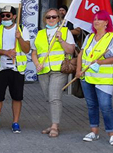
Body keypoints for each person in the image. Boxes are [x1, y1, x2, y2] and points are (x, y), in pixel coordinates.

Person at [76, 10, 113, 146]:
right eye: (94, 19)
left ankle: (112, 134)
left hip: (104, 79)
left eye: (100, 19)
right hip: (87, 77)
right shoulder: (90, 37)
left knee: (105, 106)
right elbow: (81, 55)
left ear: (106, 22)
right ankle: (94, 131)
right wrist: (78, 70)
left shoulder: (112, 38)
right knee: (91, 105)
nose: (96, 22)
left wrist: (100, 62)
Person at [0, 5, 30, 134]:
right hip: (0, 69)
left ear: (14, 17)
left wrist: (19, 38)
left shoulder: (22, 29)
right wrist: (6, 52)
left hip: (17, 69)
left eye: (7, 15)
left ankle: (15, 122)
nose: (4, 18)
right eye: (2, 15)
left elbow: (26, 49)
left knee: (17, 97)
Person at [30, 9, 75, 138]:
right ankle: (53, 123)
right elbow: (34, 52)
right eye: (48, 17)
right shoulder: (40, 33)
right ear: (45, 19)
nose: (51, 19)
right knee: (49, 98)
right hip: (43, 70)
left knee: (54, 97)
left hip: (59, 69)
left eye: (54, 17)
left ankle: (55, 126)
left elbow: (71, 49)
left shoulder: (65, 31)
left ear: (59, 19)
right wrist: (36, 64)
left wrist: (61, 40)